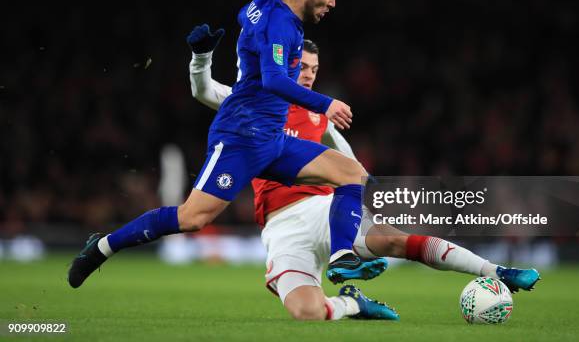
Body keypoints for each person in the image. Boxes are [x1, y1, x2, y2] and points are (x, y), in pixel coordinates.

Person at [68, 0, 385, 290]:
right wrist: (327, 104)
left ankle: (340, 256)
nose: (333, 3)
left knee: (353, 174)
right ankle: (102, 246)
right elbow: (274, 81)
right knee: (192, 218)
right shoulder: (281, 25)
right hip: (241, 136)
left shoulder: (264, 4)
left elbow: (244, 16)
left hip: (272, 139)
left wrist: (229, 47)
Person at [189, 36, 541, 320]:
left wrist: (370, 201)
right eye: (302, 67)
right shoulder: (251, 102)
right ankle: (353, 304)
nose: (309, 75)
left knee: (395, 241)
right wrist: (201, 58)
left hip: (324, 208)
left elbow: (354, 167)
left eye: (314, 69)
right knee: (306, 312)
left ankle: (499, 271)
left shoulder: (319, 119)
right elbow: (204, 91)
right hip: (280, 226)